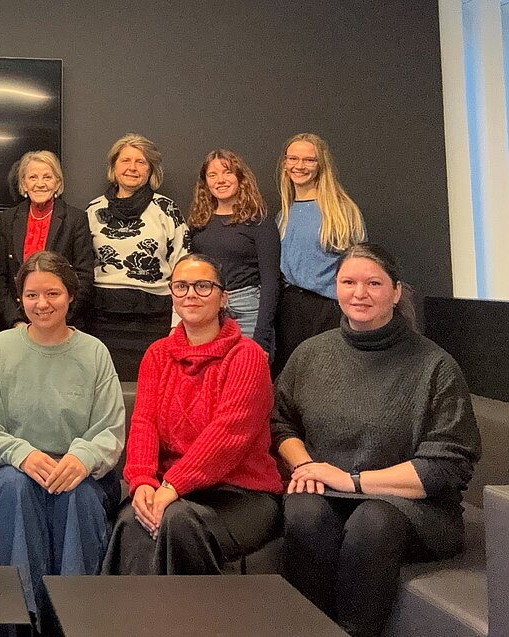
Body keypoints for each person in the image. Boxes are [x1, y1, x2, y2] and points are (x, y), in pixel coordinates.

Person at [272, 243, 481, 637]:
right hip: (328, 493)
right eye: (348, 282)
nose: (359, 293)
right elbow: (280, 423)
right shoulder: (310, 355)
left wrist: (352, 481)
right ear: (336, 288)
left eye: (373, 283)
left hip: (411, 507)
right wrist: (304, 465)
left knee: (373, 519)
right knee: (303, 512)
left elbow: (447, 466)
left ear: (397, 291)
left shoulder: (434, 365)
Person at [103, 253, 282, 576]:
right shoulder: (157, 355)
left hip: (241, 494)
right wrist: (142, 481)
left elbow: (226, 437)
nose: (191, 295)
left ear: (223, 297)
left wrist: (171, 487)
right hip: (171, 490)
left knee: (178, 521)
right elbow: (144, 423)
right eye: (181, 286)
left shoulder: (247, 356)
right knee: (130, 520)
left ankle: (190, 623)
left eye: (203, 286)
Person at [0, 250, 124, 630]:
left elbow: (109, 430)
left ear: (71, 296)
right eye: (32, 295)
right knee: (15, 487)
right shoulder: (0, 347)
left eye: (53, 294)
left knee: (78, 495)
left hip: (80, 471)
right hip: (13, 468)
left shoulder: (94, 352)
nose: (42, 304)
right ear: (20, 298)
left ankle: (72, 622)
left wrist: (82, 458)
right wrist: (20, 454)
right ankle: (22, 622)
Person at [86, 133, 187, 381]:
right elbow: (83, 268)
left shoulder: (167, 210)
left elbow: (183, 267)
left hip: (154, 319)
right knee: (107, 387)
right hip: (103, 318)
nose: (132, 168)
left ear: (150, 169)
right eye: (125, 160)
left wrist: (178, 323)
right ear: (114, 166)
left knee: (153, 387)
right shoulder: (93, 210)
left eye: (140, 162)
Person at [272, 132, 365, 376]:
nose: (299, 166)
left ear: (321, 165)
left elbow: (361, 269)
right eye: (293, 158)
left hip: (328, 310)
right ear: (285, 164)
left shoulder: (343, 212)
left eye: (309, 160)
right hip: (290, 310)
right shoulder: (284, 215)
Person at [186, 148, 279, 356]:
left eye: (227, 172)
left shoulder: (259, 222)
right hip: (208, 309)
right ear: (206, 183)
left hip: (247, 311)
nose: (220, 180)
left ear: (239, 177)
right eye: (213, 175)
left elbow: (271, 282)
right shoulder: (199, 223)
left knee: (245, 379)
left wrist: (262, 337)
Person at [0, 151, 95, 330]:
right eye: (32, 177)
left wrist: (59, 319)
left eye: (47, 177)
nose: (40, 184)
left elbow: (84, 276)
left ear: (57, 183)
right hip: (18, 326)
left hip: (63, 324)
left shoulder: (76, 219)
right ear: (23, 184)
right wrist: (16, 321)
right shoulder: (7, 219)